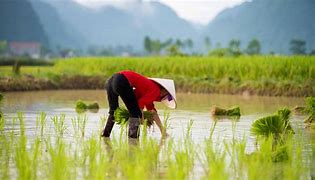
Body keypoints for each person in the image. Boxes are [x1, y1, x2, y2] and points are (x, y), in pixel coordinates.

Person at [101, 70, 177, 138]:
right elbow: (140, 105)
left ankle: (105, 134)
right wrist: (142, 119)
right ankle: (133, 140)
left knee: (113, 111)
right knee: (135, 114)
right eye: (168, 95)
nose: (165, 97)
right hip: (121, 81)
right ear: (164, 90)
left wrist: (162, 131)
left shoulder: (150, 87)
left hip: (110, 81)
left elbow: (152, 112)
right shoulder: (156, 91)